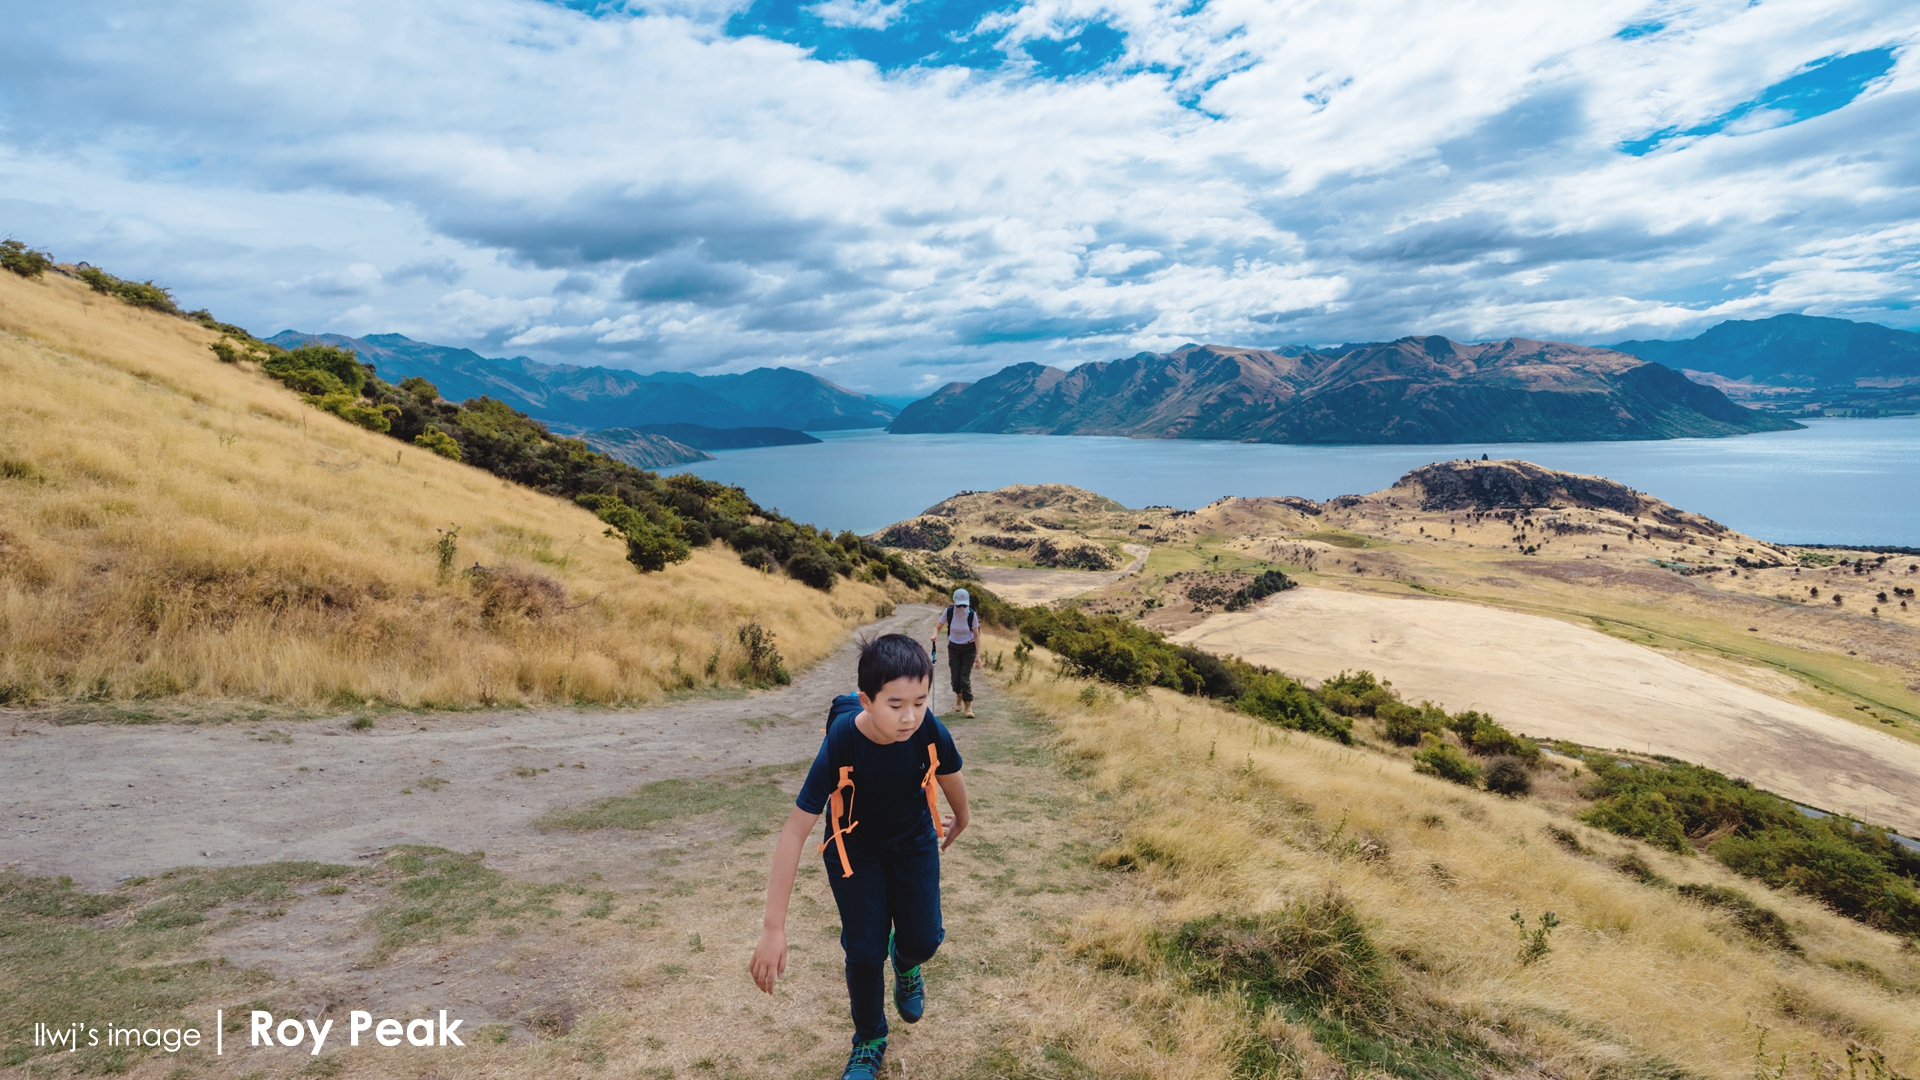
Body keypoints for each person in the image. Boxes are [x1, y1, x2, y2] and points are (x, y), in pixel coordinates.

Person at [750, 634, 971, 1080]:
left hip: (913, 843)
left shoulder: (928, 728)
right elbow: (794, 832)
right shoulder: (842, 743)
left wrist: (962, 819)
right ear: (866, 700)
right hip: (855, 852)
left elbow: (950, 772)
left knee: (924, 938)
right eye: (895, 704)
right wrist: (774, 927)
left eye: (920, 701)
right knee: (866, 951)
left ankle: (906, 963)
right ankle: (869, 1039)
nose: (909, 716)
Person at [931, 588, 981, 718]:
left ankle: (968, 707)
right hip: (954, 647)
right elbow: (937, 627)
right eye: (960, 604)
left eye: (964, 604)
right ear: (955, 602)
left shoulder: (971, 615)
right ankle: (958, 695)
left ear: (968, 603)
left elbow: (977, 635)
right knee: (955, 678)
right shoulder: (949, 612)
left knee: (964, 678)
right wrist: (934, 635)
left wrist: (978, 655)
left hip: (969, 648)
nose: (962, 607)